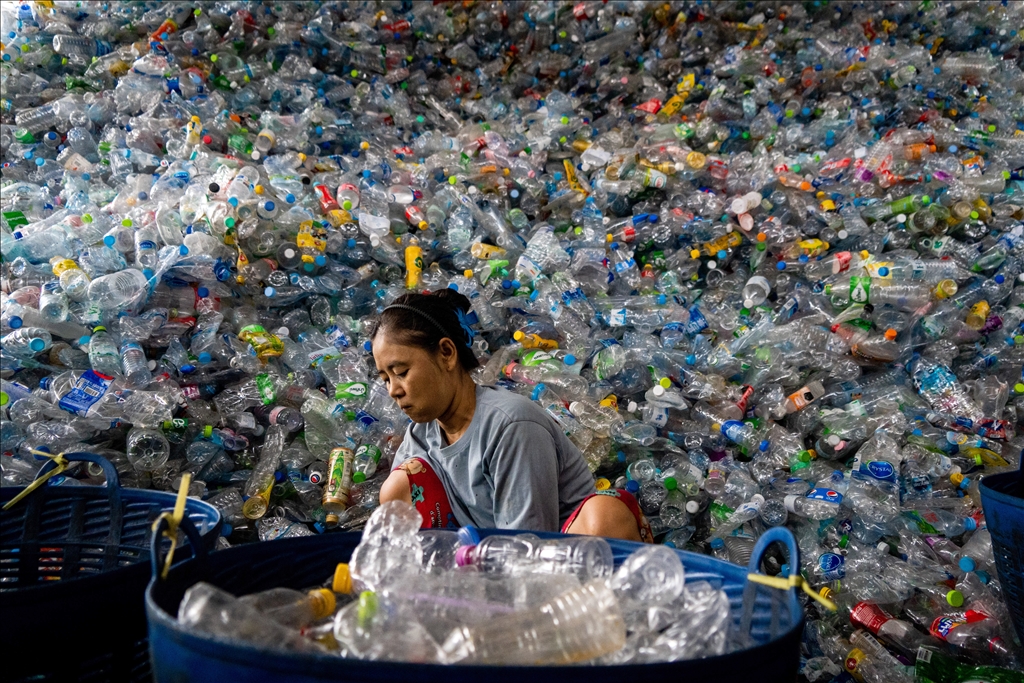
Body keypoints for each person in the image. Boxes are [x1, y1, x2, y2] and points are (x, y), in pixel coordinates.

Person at [371, 289, 652, 543]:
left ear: (446, 353)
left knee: (604, 514)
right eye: (385, 379)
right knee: (397, 487)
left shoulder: (511, 425)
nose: (394, 390)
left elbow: (525, 543)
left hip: (556, 563)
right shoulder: (418, 442)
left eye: (401, 372)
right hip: (480, 566)